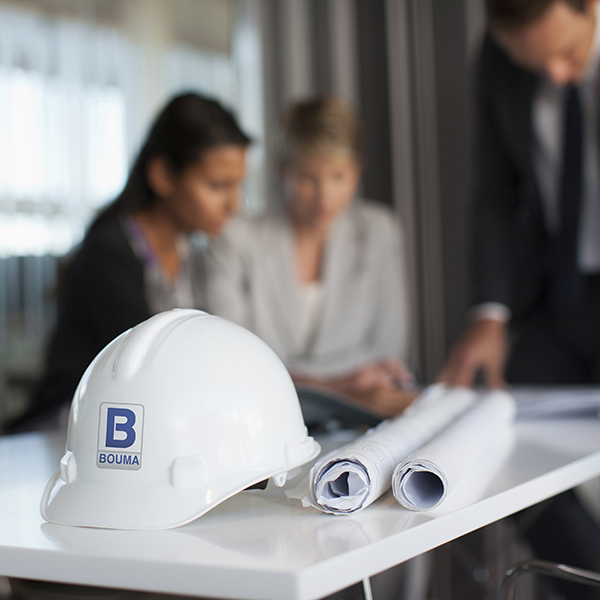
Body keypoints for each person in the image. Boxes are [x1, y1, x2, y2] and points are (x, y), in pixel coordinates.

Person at [440, 2, 600, 598]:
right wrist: (489, 312)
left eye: (568, 53)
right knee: (496, 442)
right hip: (554, 296)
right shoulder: (499, 57)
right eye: (537, 62)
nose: (556, 75)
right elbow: (495, 192)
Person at [9, 93, 250, 431]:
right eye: (218, 185)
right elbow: (147, 373)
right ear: (163, 175)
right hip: (72, 431)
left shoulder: (190, 254)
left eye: (239, 186)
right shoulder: (109, 253)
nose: (234, 205)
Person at [205, 96, 415, 417]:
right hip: (261, 423)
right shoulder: (234, 241)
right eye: (307, 178)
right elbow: (234, 367)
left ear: (359, 169)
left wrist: (291, 376)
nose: (324, 196)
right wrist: (344, 385)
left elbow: (386, 353)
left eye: (339, 176)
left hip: (363, 427)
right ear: (281, 169)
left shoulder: (380, 231)